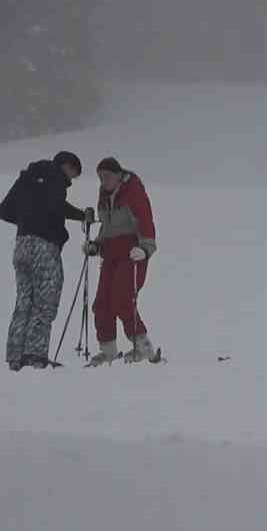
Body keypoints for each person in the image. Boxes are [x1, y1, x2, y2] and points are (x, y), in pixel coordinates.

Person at [3, 151, 90, 371]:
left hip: (22, 244)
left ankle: (15, 356)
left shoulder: (27, 176)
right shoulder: (55, 175)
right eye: (73, 173)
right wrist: (82, 215)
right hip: (44, 246)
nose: (71, 180)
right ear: (67, 166)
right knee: (45, 301)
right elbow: (55, 205)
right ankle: (35, 355)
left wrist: (27, 220)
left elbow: (4, 210)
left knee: (24, 300)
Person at [83, 158, 158, 364]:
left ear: (118, 175)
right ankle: (108, 350)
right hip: (111, 254)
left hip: (132, 252)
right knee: (102, 303)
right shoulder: (105, 196)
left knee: (122, 299)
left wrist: (145, 248)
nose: (103, 180)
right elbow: (106, 227)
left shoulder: (132, 191)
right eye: (100, 177)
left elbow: (145, 220)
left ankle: (142, 347)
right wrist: (96, 245)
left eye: (107, 176)